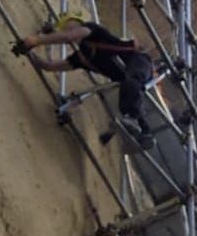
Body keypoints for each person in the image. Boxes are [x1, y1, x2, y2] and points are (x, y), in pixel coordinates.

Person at [12, 12, 156, 146]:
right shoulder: (82, 57)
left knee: (132, 82)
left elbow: (68, 37)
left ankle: (135, 122)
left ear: (76, 23)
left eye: (69, 25)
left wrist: (36, 40)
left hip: (139, 61)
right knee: (129, 87)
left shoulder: (92, 30)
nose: (67, 29)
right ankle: (144, 130)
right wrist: (28, 53)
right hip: (127, 77)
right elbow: (48, 67)